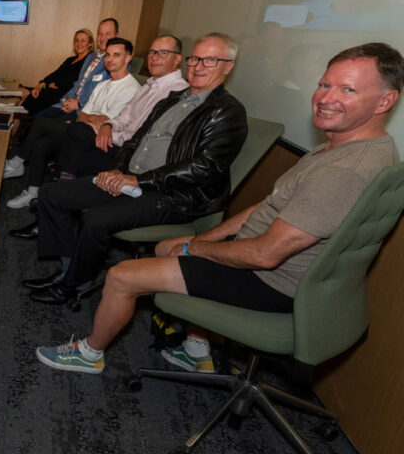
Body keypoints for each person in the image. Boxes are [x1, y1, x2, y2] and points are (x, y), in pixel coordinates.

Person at [36, 42, 401, 375]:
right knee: (165, 247)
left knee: (121, 276)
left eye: (348, 90)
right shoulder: (346, 147)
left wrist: (195, 247)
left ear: (385, 101)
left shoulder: (341, 169)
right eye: (325, 85)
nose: (326, 98)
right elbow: (269, 204)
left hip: (273, 282)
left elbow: (265, 254)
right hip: (289, 270)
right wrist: (200, 240)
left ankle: (89, 353)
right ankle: (196, 347)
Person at [23, 33, 249, 306]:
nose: (199, 66)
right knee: (52, 194)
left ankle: (72, 284)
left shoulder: (228, 112)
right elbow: (134, 139)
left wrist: (140, 180)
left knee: (95, 219)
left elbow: (204, 168)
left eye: (210, 60)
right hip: (133, 179)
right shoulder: (173, 98)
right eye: (196, 58)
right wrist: (118, 170)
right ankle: (70, 268)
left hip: (173, 196)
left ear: (228, 66)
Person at [5, 37, 141, 210]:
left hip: (99, 141)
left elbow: (106, 123)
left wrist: (93, 119)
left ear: (128, 58)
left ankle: (17, 162)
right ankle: (33, 191)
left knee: (41, 123)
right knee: (41, 144)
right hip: (80, 131)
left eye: (116, 55)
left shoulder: (131, 88)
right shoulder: (103, 85)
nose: (110, 59)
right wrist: (91, 118)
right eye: (107, 55)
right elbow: (83, 114)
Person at [3, 18, 118, 180]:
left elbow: (102, 95)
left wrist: (77, 103)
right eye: (100, 33)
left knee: (41, 127)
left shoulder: (113, 62)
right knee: (39, 119)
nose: (103, 37)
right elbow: (78, 84)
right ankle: (23, 165)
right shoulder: (92, 57)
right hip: (68, 102)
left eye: (108, 34)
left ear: (116, 35)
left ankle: (19, 162)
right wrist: (66, 99)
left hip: (84, 111)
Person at [17, 28, 94, 116]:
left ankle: (15, 123)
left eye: (83, 41)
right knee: (19, 92)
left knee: (21, 105)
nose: (79, 43)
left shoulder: (88, 62)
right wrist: (41, 84)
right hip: (50, 89)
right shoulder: (70, 60)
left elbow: (74, 81)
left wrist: (56, 84)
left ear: (90, 44)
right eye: (76, 40)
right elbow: (55, 74)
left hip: (60, 95)